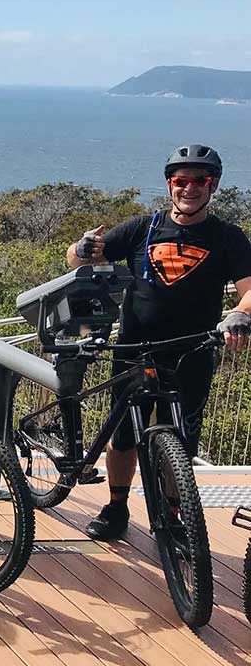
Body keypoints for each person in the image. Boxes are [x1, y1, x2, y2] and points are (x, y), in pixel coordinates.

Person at [67, 144, 251, 540]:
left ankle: (171, 515)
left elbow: (250, 289)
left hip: (192, 352)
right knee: (124, 435)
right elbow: (77, 259)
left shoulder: (227, 238)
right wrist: (82, 248)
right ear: (170, 184)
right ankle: (116, 508)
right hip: (134, 350)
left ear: (213, 185)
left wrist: (240, 314)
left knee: (180, 440)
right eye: (181, 180)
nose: (189, 188)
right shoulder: (141, 228)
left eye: (199, 180)